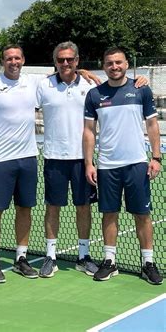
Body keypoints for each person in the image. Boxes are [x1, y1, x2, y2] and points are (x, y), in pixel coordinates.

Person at [0, 45, 100, 282]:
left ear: (23, 60)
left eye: (17, 57)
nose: (13, 61)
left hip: (28, 158)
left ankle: (21, 258)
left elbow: (65, 72)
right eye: (8, 58)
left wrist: (82, 70)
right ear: (3, 61)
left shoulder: (36, 83)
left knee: (25, 208)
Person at [83, 47, 163, 285]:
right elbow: (89, 131)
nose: (114, 67)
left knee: (142, 214)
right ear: (104, 65)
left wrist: (156, 157)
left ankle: (148, 263)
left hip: (137, 164)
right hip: (107, 166)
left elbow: (152, 126)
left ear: (126, 64)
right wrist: (89, 163)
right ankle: (110, 261)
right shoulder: (95, 95)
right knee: (109, 214)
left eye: (118, 62)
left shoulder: (141, 89)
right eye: (109, 63)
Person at [36, 42, 98, 278]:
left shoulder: (90, 84)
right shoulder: (43, 85)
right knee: (53, 207)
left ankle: (84, 256)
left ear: (77, 60)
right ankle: (50, 257)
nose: (65, 63)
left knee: (83, 207)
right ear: (55, 62)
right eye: (61, 60)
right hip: (54, 158)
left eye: (69, 59)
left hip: (84, 159)